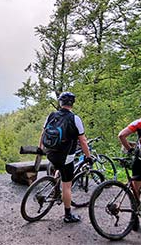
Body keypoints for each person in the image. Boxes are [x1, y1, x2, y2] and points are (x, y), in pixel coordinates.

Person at [40, 92, 92, 223]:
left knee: (59, 169)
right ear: (72, 104)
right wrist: (88, 156)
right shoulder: (75, 119)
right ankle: (68, 215)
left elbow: (43, 132)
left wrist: (40, 148)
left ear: (60, 103)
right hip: (66, 156)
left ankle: (54, 186)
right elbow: (83, 141)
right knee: (67, 186)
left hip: (51, 153)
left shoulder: (51, 115)